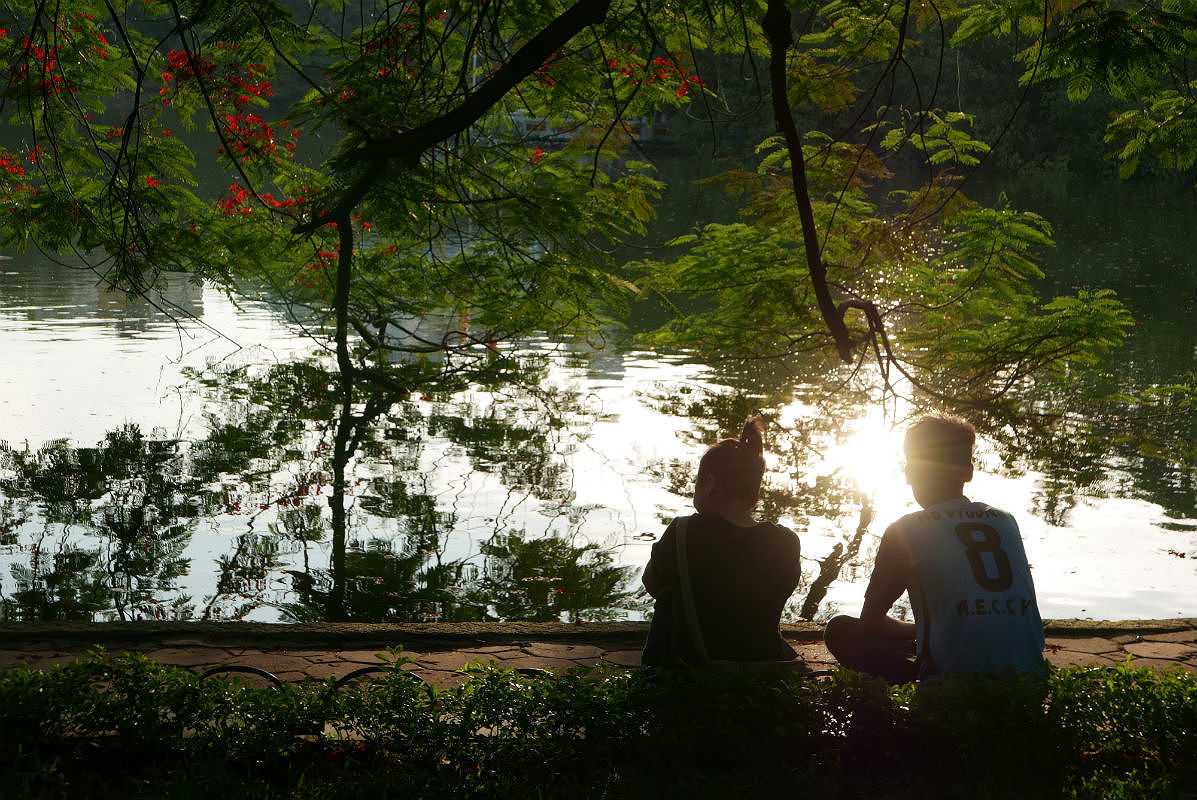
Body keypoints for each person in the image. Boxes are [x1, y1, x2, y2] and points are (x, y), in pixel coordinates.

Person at [824, 414, 1045, 682]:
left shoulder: (905, 531)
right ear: (968, 472)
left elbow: (871, 622)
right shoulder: (1006, 521)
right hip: (1028, 682)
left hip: (953, 694)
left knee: (841, 630)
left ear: (909, 473)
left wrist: (915, 629)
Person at [641, 417, 801, 666]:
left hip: (688, 667)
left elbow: (651, 583)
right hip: (761, 668)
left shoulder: (682, 531)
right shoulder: (786, 542)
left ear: (711, 484)